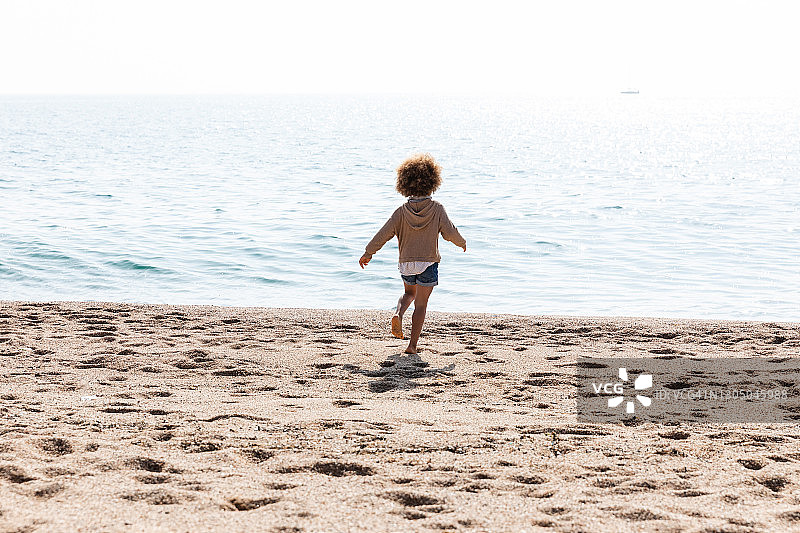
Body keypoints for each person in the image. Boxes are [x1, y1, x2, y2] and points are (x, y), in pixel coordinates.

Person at [359, 154, 467, 354]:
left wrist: (368, 253)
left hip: (406, 263)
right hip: (428, 263)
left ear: (405, 183)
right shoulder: (437, 209)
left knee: (409, 293)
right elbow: (450, 233)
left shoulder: (400, 211)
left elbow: (383, 234)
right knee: (421, 304)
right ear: (432, 182)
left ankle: (398, 314)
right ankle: (412, 345)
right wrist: (462, 243)